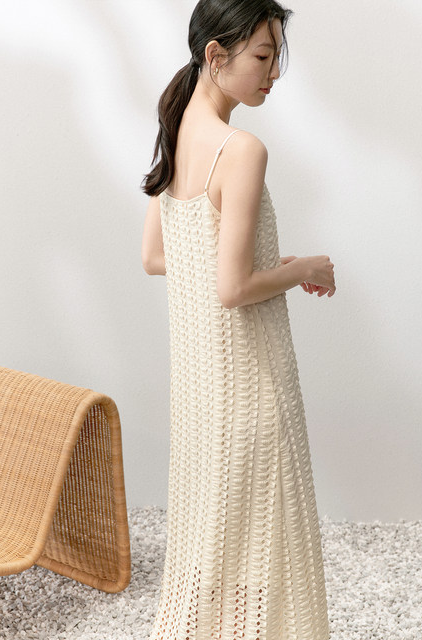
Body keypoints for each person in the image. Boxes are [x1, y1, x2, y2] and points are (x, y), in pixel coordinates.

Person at [141, 1, 335, 638]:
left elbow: (157, 257)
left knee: (218, 545)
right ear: (215, 55)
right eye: (263, 55)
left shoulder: (176, 130)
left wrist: (261, 264)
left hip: (202, 391)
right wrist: (304, 267)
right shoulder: (242, 149)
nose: (275, 72)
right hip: (252, 381)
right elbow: (234, 288)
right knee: (267, 548)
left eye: (276, 55)